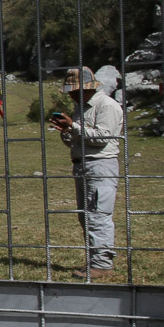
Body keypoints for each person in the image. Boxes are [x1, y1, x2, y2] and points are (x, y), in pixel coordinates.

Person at [48, 66, 123, 280]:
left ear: (86, 88)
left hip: (100, 164)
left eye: (74, 89)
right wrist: (67, 131)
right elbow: (80, 137)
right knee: (86, 215)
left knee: (98, 213)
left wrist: (73, 126)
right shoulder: (82, 107)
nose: (70, 94)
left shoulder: (106, 105)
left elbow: (103, 138)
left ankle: (102, 264)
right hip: (82, 164)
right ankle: (95, 260)